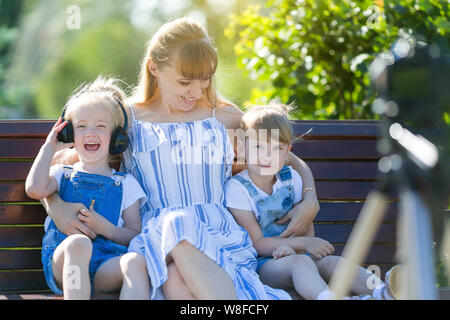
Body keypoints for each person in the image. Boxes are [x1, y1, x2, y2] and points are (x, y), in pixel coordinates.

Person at [40, 17, 320, 300]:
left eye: (204, 79)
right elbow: (60, 163)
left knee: (177, 281)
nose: (195, 92)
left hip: (218, 237)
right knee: (175, 233)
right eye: (185, 81)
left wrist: (309, 197)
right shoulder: (128, 118)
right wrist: (55, 205)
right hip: (157, 236)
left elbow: (288, 157)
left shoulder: (220, 116)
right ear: (154, 68)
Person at [224, 102, 398, 300]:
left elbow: (305, 223)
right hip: (264, 266)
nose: (266, 156)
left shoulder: (292, 179)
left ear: (287, 151)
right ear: (242, 147)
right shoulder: (237, 189)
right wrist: (302, 245)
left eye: (276, 148)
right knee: (301, 263)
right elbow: (257, 243)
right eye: (257, 146)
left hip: (299, 255)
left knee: (334, 262)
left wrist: (302, 246)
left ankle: (383, 292)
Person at [25, 76, 150, 299]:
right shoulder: (62, 173)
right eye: (81, 127)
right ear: (70, 135)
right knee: (79, 243)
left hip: (104, 265)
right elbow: (35, 189)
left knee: (135, 261)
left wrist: (106, 228)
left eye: (100, 126)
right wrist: (49, 147)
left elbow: (134, 234)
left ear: (117, 138)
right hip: (65, 260)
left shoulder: (126, 184)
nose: (90, 133)